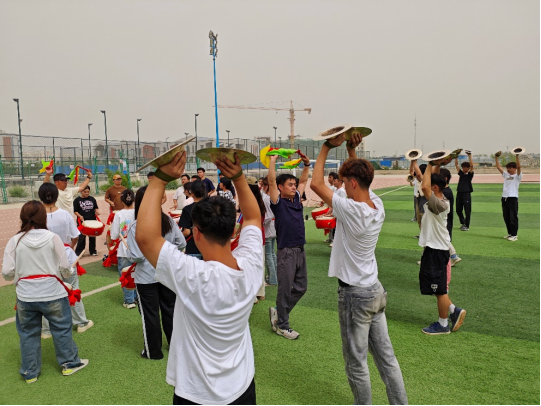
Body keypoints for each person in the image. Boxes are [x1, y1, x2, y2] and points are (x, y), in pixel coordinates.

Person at [135, 151, 263, 405]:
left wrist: (160, 178)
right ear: (233, 230)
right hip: (242, 388)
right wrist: (238, 177)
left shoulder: (194, 276)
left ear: (196, 233)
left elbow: (146, 238)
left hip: (196, 395)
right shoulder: (251, 264)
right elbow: (252, 217)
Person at [310, 132, 408, 405]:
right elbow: (359, 182)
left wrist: (326, 146)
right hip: (375, 290)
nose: (341, 186)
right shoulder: (376, 205)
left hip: (355, 295)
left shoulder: (351, 210)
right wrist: (352, 152)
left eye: (344, 182)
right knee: (387, 360)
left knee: (356, 364)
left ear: (352, 183)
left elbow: (316, 184)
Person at [2, 201, 89, 383]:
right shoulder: (53, 238)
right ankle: (69, 363)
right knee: (62, 329)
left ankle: (30, 372)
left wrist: (21, 274)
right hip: (53, 293)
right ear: (43, 217)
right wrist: (68, 272)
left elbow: (7, 273)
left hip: (26, 296)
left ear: (22, 217)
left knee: (28, 334)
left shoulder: (15, 241)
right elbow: (65, 269)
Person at [127, 186, 186, 360]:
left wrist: (130, 253)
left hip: (146, 277)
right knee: (170, 310)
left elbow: (136, 256)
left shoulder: (136, 226)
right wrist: (167, 253)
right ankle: (175, 347)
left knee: (149, 314)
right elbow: (181, 243)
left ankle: (153, 351)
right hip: (167, 273)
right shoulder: (168, 221)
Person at [418, 159, 467, 336]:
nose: (425, 187)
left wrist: (430, 164)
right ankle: (453, 310)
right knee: (435, 287)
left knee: (439, 289)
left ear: (435, 188)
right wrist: (435, 165)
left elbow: (424, 186)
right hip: (434, 249)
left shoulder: (438, 204)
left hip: (436, 251)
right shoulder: (440, 199)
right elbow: (427, 183)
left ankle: (443, 324)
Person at [39, 183, 93, 337]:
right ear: (57, 196)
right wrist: (68, 247)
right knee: (73, 289)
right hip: (66, 257)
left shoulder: (36, 216)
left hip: (44, 259)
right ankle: (81, 322)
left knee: (45, 293)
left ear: (40, 197)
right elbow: (75, 236)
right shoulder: (64, 214)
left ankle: (46, 329)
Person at [267, 150, 311, 340]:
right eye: (290, 185)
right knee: (284, 290)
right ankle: (282, 325)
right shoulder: (278, 203)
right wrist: (272, 161)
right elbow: (271, 182)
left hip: (300, 249)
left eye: (294, 185)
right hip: (286, 251)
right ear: (280, 187)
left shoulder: (296, 200)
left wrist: (306, 165)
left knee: (301, 287)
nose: (294, 187)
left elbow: (303, 181)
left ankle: (279, 312)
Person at [237, 176, 267, 302]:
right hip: (260, 236)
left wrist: (237, 232)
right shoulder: (261, 201)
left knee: (250, 266)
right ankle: (261, 292)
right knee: (260, 264)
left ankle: (253, 295)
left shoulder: (248, 203)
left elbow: (243, 221)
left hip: (249, 238)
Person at [110, 189, 137, 309]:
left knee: (125, 274)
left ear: (122, 201)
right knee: (137, 273)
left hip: (124, 248)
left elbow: (114, 235)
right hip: (138, 247)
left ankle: (129, 300)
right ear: (134, 199)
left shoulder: (119, 214)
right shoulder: (138, 212)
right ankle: (137, 297)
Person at [495, 152, 523, 241]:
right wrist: (496, 157)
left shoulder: (518, 176)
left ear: (514, 168)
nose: (508, 169)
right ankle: (510, 233)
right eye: (507, 168)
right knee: (506, 217)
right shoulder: (506, 175)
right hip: (504, 198)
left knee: (513, 217)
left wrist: (517, 156)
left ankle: (514, 235)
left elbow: (519, 167)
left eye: (510, 168)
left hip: (513, 198)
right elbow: (498, 167)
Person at [178, 180, 207, 260]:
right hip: (210, 247)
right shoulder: (212, 207)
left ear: (192, 192)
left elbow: (186, 231)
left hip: (193, 247)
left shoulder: (187, 209)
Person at [440, 168, 462, 267]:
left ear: (445, 178)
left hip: (445, 219)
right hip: (445, 219)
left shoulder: (446, 192)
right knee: (443, 238)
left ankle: (453, 256)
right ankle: (453, 256)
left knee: (442, 238)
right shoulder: (445, 190)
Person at [74, 186, 101, 256]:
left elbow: (95, 207)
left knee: (92, 236)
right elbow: (75, 211)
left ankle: (93, 251)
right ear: (81, 191)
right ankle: (79, 252)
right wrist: (80, 216)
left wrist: (97, 211)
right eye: (85, 192)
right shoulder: (77, 200)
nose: (86, 193)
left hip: (92, 220)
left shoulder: (92, 199)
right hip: (82, 222)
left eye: (88, 192)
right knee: (81, 237)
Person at [261, 177, 277, 287]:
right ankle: (274, 276)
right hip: (273, 227)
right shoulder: (273, 198)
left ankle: (272, 279)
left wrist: (261, 223)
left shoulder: (267, 199)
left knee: (268, 255)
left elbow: (269, 216)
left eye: (263, 185)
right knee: (272, 254)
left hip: (268, 228)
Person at [455, 152, 475, 231]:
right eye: (462, 167)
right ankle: (463, 222)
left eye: (465, 167)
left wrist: (469, 156)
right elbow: (456, 165)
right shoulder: (461, 174)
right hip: (459, 193)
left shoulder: (470, 174)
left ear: (468, 168)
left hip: (467, 193)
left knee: (467, 210)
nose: (463, 169)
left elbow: (472, 165)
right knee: (458, 209)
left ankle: (467, 225)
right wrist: (455, 156)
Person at [412, 162, 428, 236]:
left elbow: (418, 175)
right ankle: (422, 234)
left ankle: (426, 235)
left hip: (425, 200)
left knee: (425, 219)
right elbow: (412, 173)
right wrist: (412, 162)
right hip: (419, 198)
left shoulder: (426, 179)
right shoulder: (418, 179)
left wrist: (414, 161)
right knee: (419, 219)